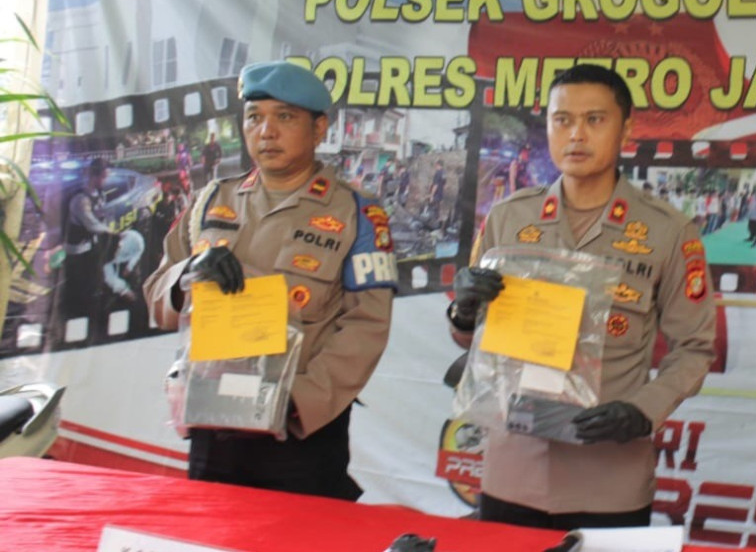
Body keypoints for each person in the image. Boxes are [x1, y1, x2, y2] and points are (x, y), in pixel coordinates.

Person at [447, 64, 716, 530]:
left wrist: (643, 410)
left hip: (608, 477)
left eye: (594, 120)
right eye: (562, 120)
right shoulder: (508, 219)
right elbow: (468, 337)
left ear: (627, 128)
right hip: (512, 470)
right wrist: (463, 309)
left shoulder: (667, 231)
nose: (576, 135)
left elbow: (694, 348)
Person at [143, 60, 397, 500]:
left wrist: (297, 402)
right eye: (254, 117)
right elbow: (156, 296)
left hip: (299, 435)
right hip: (213, 424)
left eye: (284, 117)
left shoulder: (357, 215)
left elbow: (366, 328)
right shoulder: (210, 201)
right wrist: (187, 276)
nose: (266, 131)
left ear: (319, 130)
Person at [60, 157, 114, 328]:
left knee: (95, 280)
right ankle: (77, 320)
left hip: (92, 246)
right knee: (80, 287)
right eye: (104, 177)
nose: (106, 180)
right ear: (95, 176)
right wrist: (111, 231)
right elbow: (91, 224)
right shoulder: (80, 200)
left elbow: (102, 216)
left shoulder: (99, 195)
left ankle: (92, 315)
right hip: (77, 250)